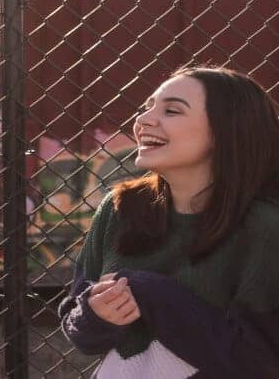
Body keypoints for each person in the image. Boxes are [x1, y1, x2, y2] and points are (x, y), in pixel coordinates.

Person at [59, 65, 279, 378]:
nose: (144, 120)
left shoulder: (266, 229)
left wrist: (153, 295)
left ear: (225, 130)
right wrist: (96, 315)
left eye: (172, 111)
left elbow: (258, 363)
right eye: (147, 108)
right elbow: (78, 327)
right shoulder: (118, 208)